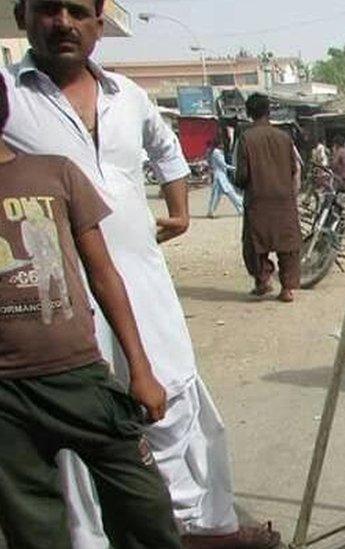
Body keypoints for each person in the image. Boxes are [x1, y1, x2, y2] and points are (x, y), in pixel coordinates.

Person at [2, 1, 280, 547]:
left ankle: (202, 528)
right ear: (22, 15)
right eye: (49, 9)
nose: (64, 22)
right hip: (59, 305)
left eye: (78, 11)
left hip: (142, 284)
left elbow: (167, 151)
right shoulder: (7, 95)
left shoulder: (126, 96)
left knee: (171, 400)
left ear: (99, 24)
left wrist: (178, 214)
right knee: (80, 439)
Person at [0, 75, 181, 549]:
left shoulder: (53, 173)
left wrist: (140, 370)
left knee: (145, 507)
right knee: (34, 528)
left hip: (80, 377)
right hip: (6, 398)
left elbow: (104, 275)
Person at [236, 93, 302, 303]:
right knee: (288, 246)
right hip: (284, 200)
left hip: (258, 200)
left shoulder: (246, 138)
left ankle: (263, 281)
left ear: (249, 113)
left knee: (255, 244)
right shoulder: (284, 138)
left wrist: (242, 184)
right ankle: (287, 289)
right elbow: (294, 169)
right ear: (269, 111)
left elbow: (242, 175)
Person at [206, 139, 243, 218]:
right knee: (229, 194)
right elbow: (223, 165)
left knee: (219, 195)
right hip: (220, 177)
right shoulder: (217, 153)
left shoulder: (215, 152)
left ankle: (240, 209)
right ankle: (241, 208)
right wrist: (235, 168)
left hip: (220, 177)